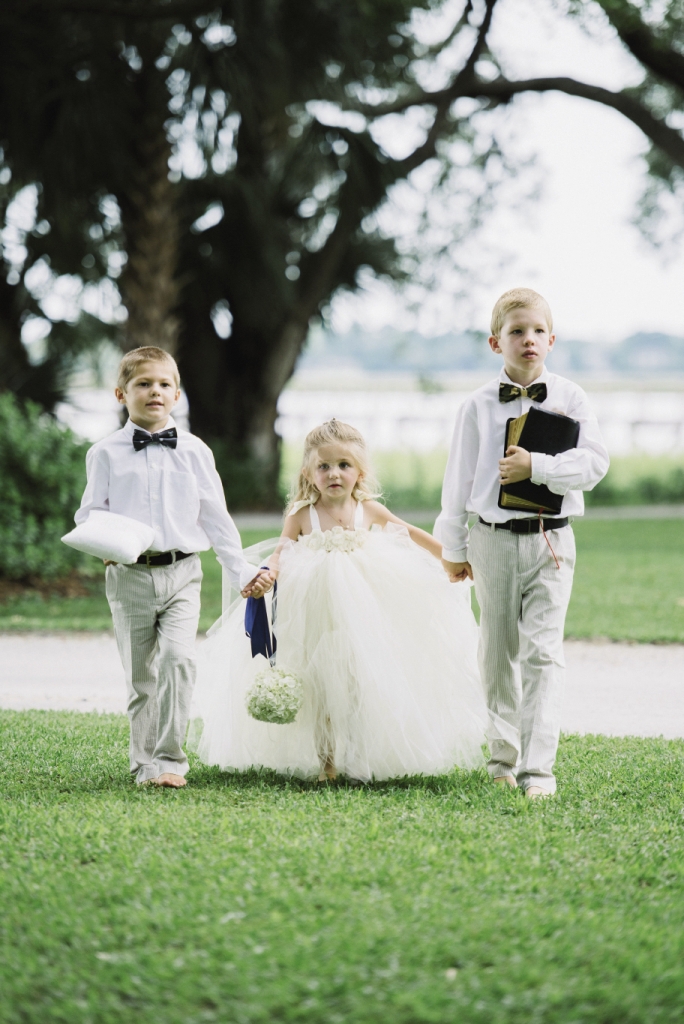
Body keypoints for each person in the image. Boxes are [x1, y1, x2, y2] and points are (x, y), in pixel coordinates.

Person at [189, 420, 486, 783]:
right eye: (324, 466)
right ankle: (326, 763)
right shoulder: (301, 514)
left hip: (364, 607)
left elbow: (409, 533)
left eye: (344, 465)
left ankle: (360, 756)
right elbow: (281, 550)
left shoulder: (369, 510)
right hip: (315, 609)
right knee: (322, 687)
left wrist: (450, 556)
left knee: (361, 681)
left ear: (359, 473)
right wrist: (265, 574)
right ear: (308, 474)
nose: (334, 474)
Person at [435, 288, 609, 798]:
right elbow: (458, 481)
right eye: (516, 331)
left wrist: (538, 466)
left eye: (536, 331)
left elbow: (594, 465)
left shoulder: (572, 399)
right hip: (491, 542)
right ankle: (501, 757)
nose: (527, 339)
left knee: (542, 653)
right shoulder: (476, 406)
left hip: (551, 542)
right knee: (496, 651)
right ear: (496, 343)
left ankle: (539, 770)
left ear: (551, 340)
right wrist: (454, 548)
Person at [75, 346, 267, 788]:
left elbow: (217, 518)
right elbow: (89, 514)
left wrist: (241, 571)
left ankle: (169, 761)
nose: (154, 392)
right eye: (143, 384)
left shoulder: (196, 452)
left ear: (177, 394)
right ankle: (143, 763)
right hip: (128, 578)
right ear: (121, 393)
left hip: (183, 574)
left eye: (164, 384)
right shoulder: (104, 454)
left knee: (179, 661)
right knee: (142, 677)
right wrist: (106, 542)